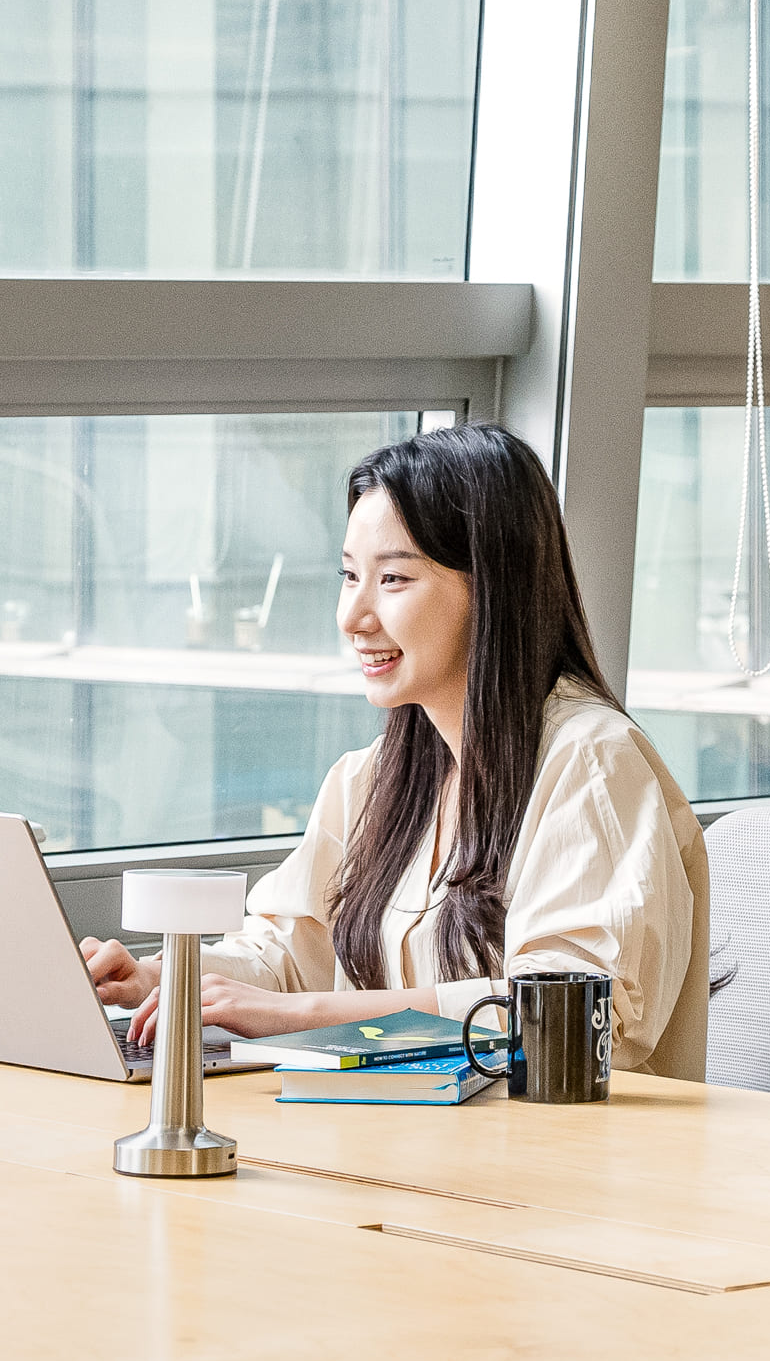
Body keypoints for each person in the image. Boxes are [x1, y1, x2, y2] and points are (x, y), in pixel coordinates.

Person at [83, 425, 712, 1075]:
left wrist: (305, 1016)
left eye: (392, 579)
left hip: (540, 1140)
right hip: (393, 1129)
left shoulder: (593, 762)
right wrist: (161, 978)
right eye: (349, 575)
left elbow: (573, 1018)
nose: (352, 617)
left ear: (492, 589)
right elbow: (290, 958)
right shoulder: (370, 779)